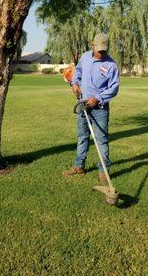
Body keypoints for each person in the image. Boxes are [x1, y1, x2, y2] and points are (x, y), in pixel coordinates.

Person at [62, 33, 119, 185]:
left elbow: (114, 88)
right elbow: (78, 72)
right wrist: (74, 83)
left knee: (101, 140)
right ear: (92, 46)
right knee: (82, 137)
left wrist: (98, 98)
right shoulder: (85, 57)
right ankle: (79, 166)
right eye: (99, 50)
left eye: (104, 50)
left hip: (100, 108)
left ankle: (103, 172)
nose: (102, 53)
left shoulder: (111, 65)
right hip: (83, 104)